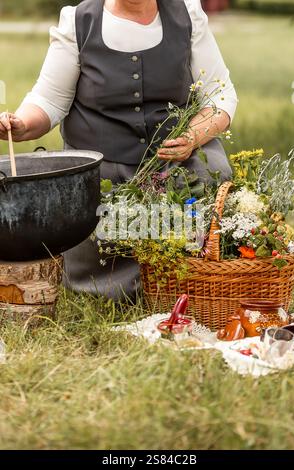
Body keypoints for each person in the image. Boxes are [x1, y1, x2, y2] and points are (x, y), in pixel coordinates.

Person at [0, 0, 238, 300]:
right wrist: (21, 124)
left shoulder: (187, 14)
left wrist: (192, 136)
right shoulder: (78, 22)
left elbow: (220, 95)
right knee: (99, 229)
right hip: (105, 171)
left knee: (206, 177)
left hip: (174, 165)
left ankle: (194, 280)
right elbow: (50, 100)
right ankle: (117, 284)